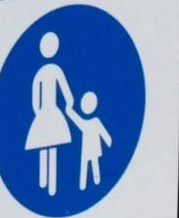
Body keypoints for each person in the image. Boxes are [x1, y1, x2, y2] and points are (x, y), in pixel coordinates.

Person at [24, 33, 74, 195]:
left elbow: (34, 98)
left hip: (44, 113)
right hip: (51, 112)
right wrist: (69, 104)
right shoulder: (53, 70)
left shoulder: (42, 72)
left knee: (46, 146)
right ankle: (48, 185)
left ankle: (47, 184)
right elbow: (66, 92)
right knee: (50, 146)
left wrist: (38, 112)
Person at [69, 90, 113, 191]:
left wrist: (108, 141)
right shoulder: (87, 123)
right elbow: (77, 120)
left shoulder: (94, 122)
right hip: (87, 149)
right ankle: (83, 185)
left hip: (92, 148)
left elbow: (103, 132)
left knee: (93, 164)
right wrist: (70, 112)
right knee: (86, 165)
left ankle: (95, 181)